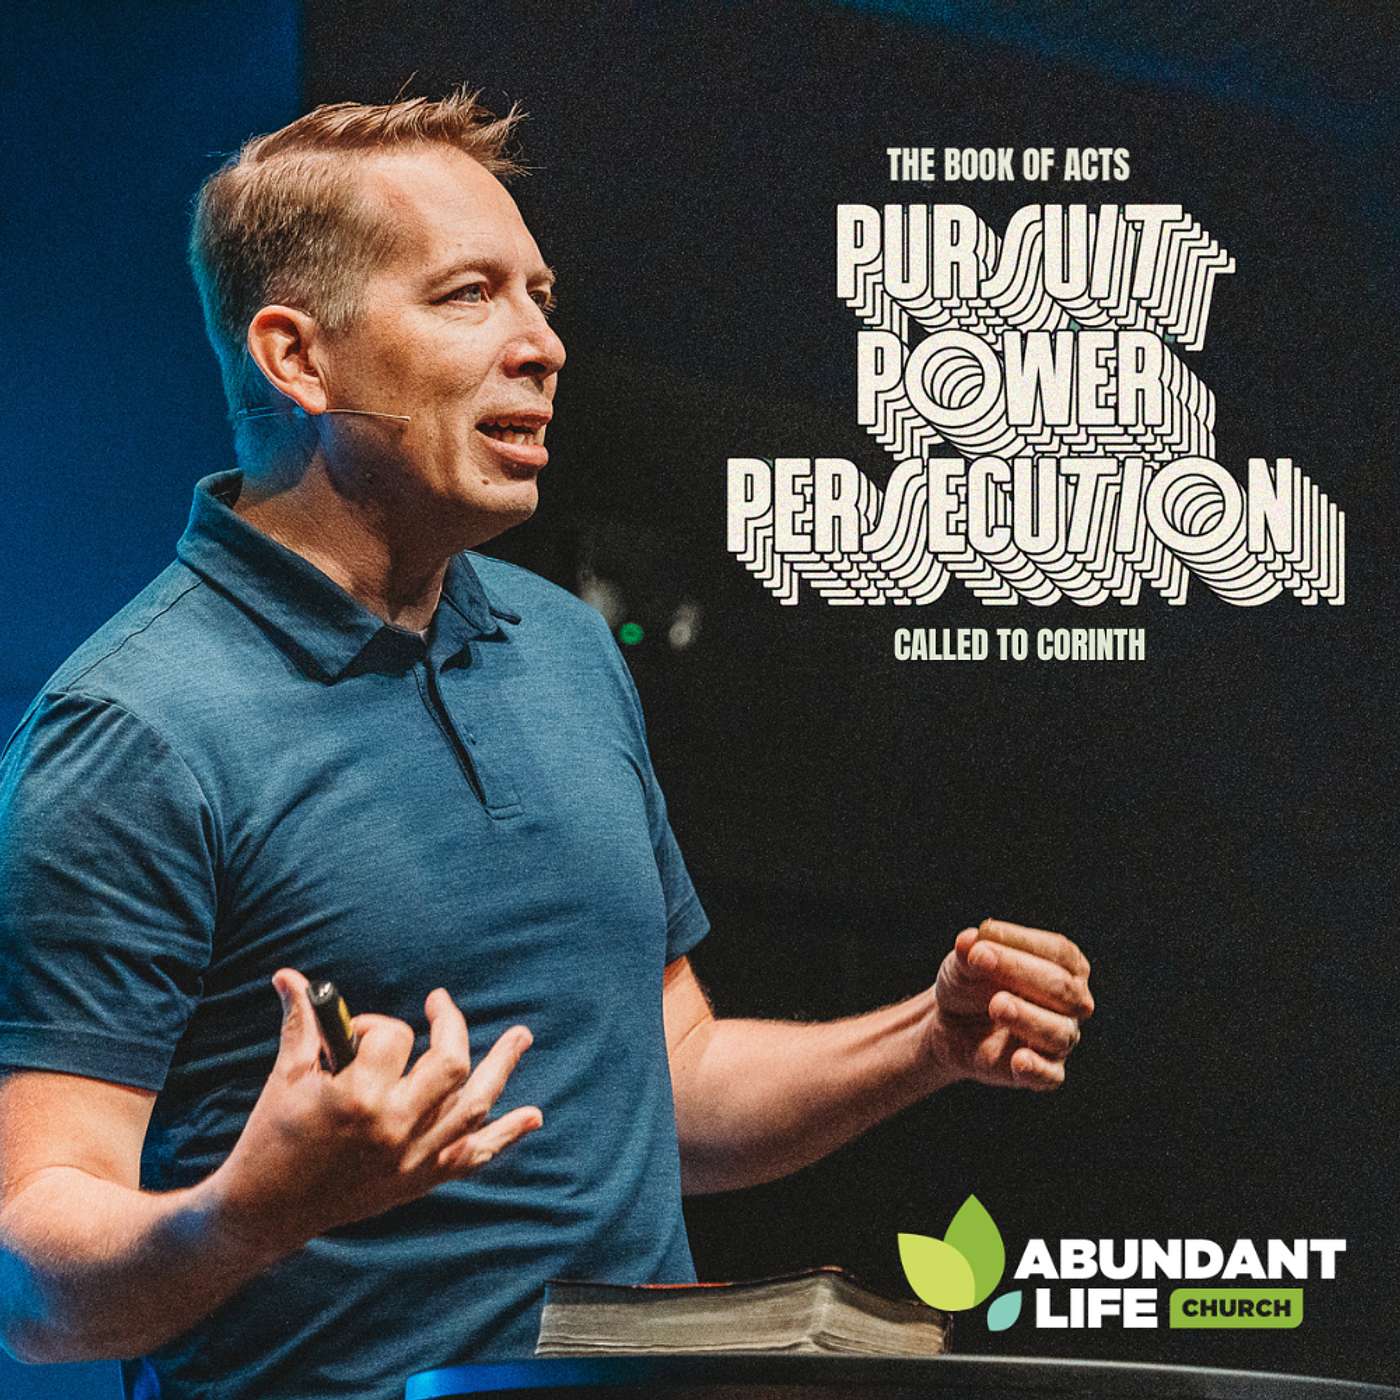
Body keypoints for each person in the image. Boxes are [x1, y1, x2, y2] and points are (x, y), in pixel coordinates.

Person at [0, 92, 1093, 1400]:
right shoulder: (135, 727)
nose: (543, 344)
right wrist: (248, 1212)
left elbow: (673, 1082)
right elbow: (31, 1283)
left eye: (542, 296)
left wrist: (927, 1039)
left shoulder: (565, 648)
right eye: (469, 295)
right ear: (299, 360)